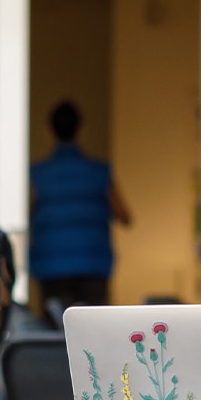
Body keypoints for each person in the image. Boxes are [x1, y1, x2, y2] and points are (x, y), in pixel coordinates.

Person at [28, 100, 130, 315]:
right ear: (80, 127)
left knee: (55, 334)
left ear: (49, 129)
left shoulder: (39, 174)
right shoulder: (99, 172)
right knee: (94, 333)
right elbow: (124, 216)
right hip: (93, 264)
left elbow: (29, 211)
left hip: (51, 265)